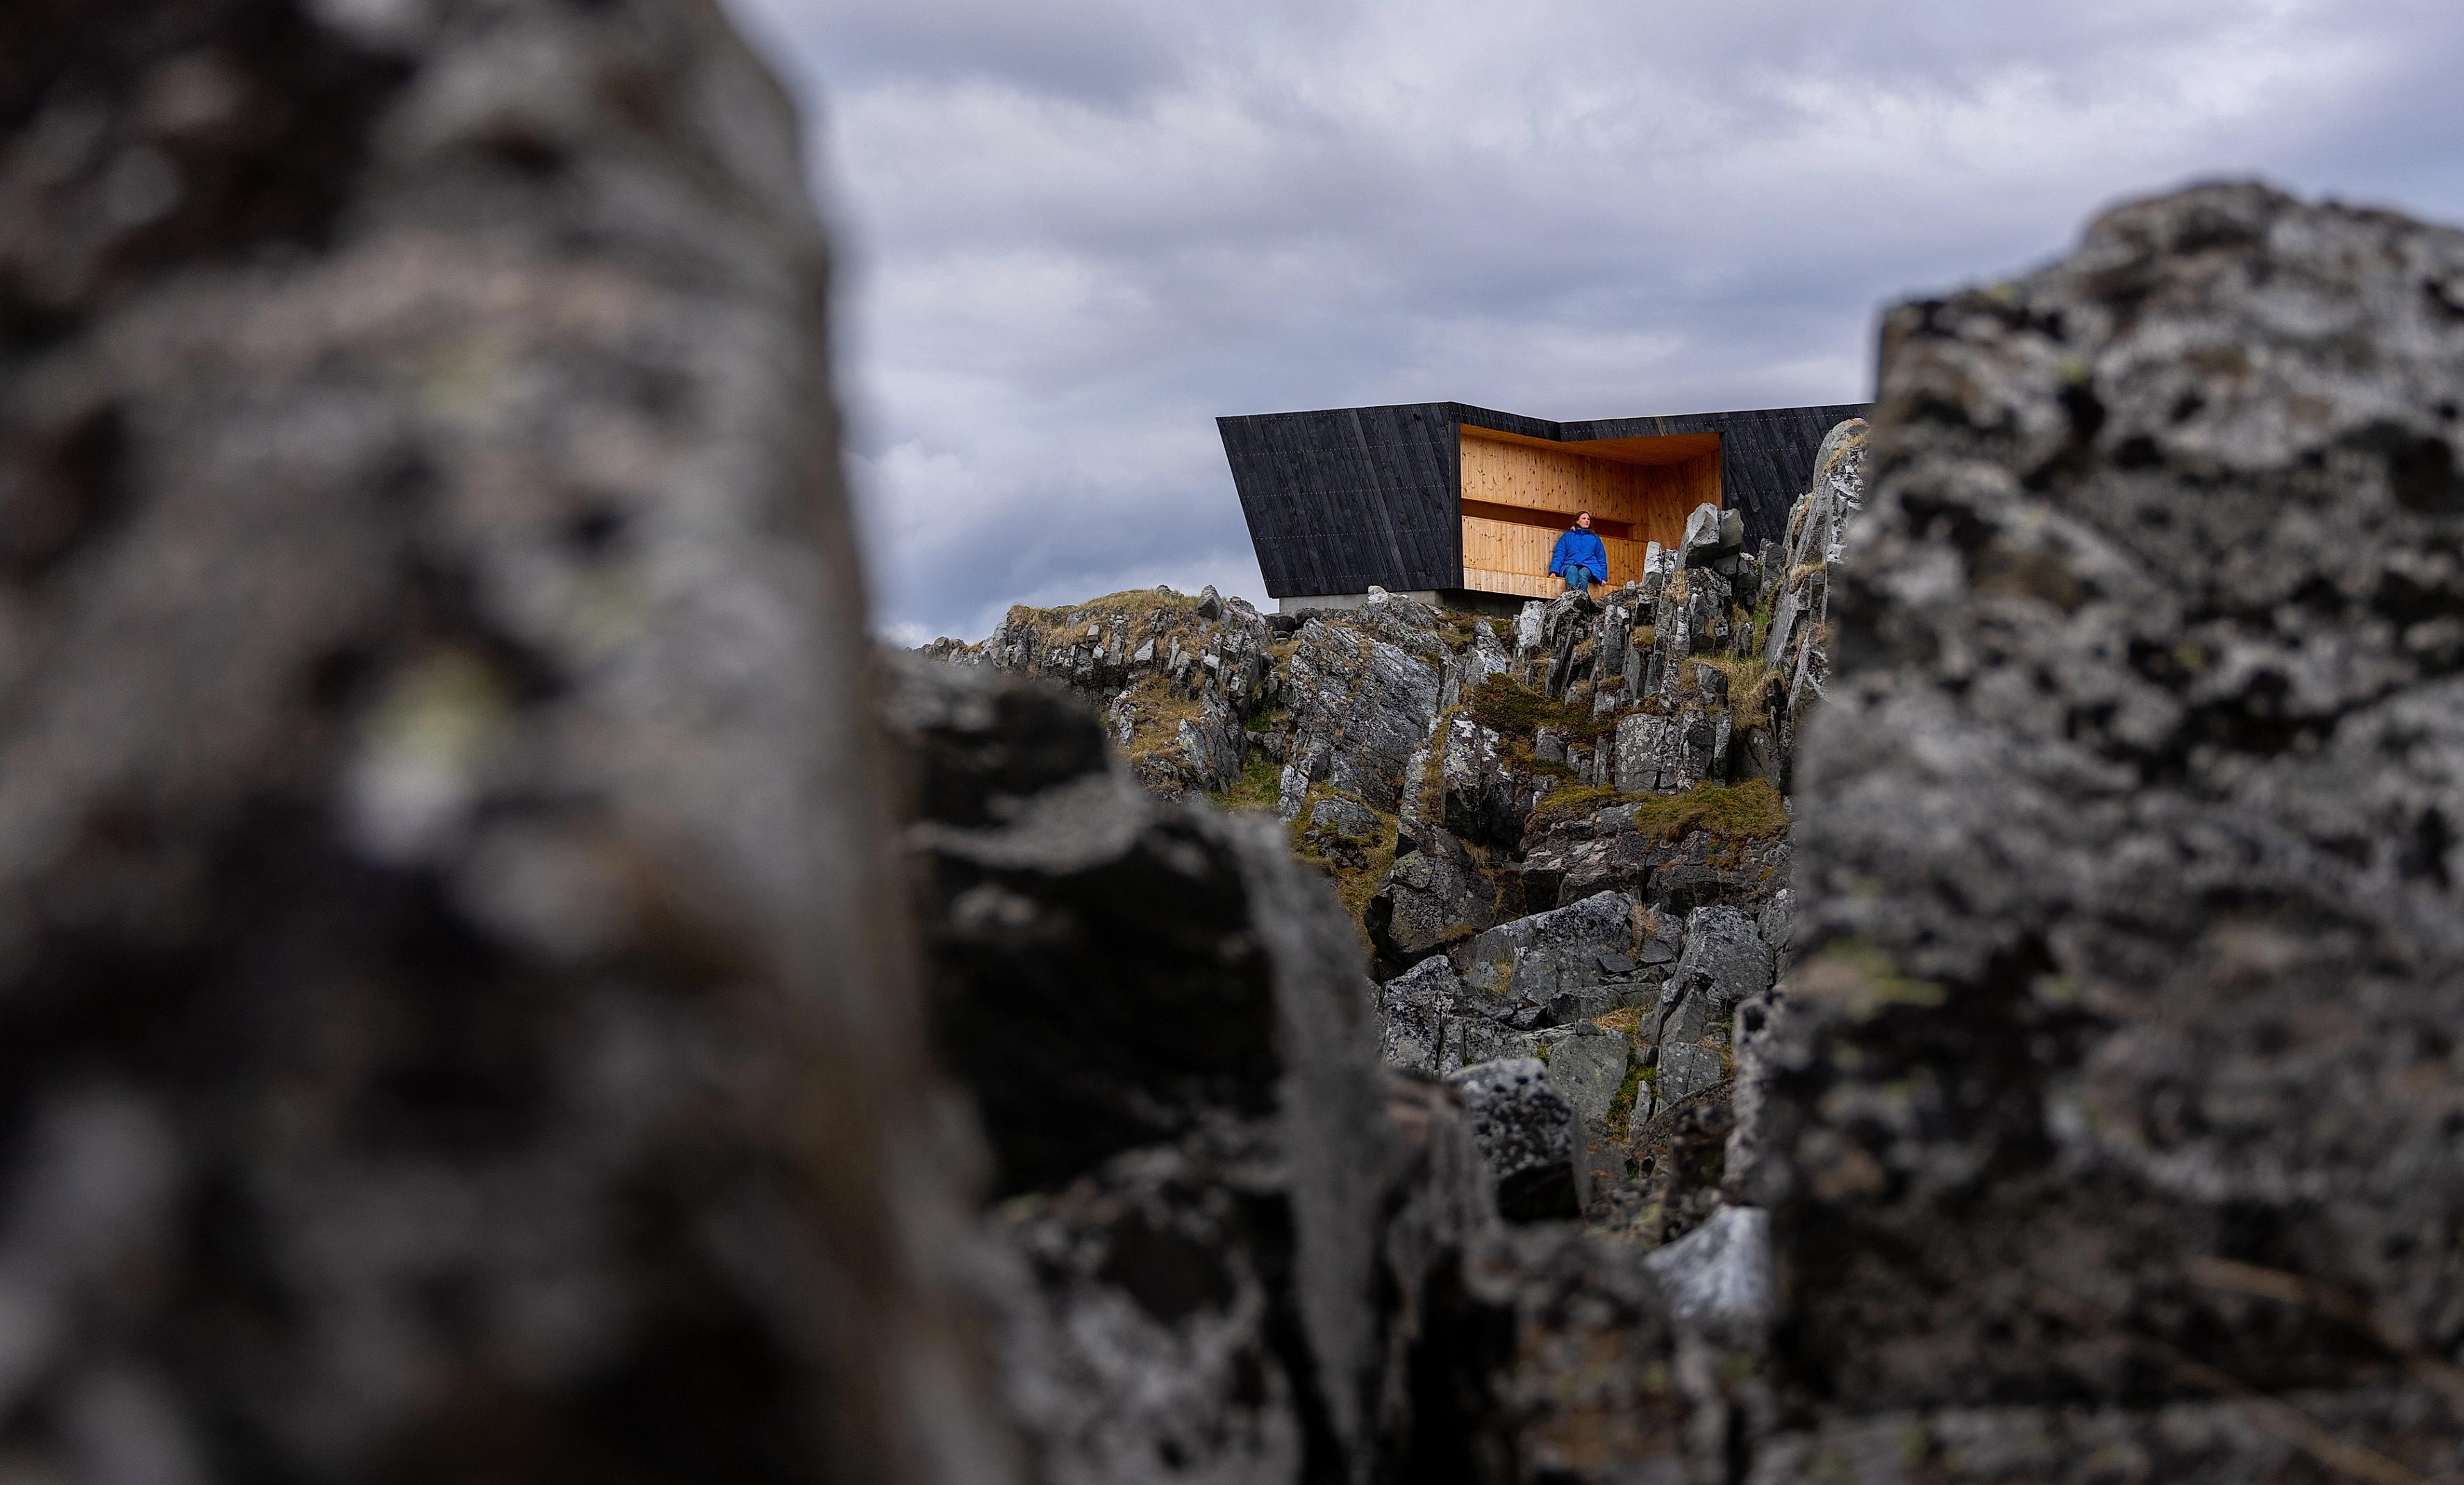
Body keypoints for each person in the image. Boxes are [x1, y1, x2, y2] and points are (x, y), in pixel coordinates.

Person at [1549, 511, 1607, 599]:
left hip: (1590, 567)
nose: (1587, 521)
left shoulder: (1595, 538)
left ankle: (1582, 599)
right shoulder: (1567, 537)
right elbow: (1559, 554)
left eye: (1588, 519)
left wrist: (1603, 577)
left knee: (1583, 573)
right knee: (1572, 570)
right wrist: (1554, 571)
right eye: (1584, 519)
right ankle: (1572, 596)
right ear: (1577, 521)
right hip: (1570, 565)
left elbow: (1601, 558)